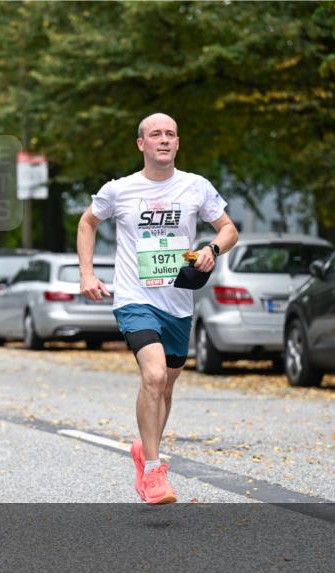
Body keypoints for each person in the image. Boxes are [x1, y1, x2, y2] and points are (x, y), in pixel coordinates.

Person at [77, 112, 238, 505]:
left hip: (178, 302)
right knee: (153, 375)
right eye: (155, 134)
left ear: (177, 143)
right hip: (135, 299)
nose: (164, 139)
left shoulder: (196, 187)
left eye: (170, 134)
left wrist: (211, 249)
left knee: (166, 385)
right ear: (141, 144)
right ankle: (152, 470)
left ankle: (144, 448)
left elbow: (229, 229)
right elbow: (87, 223)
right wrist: (87, 273)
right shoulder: (119, 190)